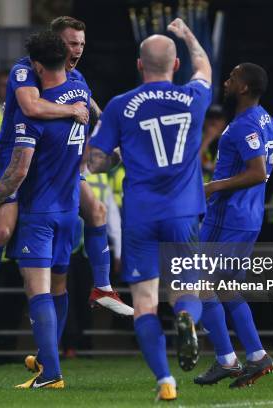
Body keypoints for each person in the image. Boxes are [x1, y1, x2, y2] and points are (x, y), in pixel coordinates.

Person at [0, 15, 133, 343]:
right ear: (55, 43)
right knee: (2, 229)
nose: (77, 50)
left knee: (96, 212)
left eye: (82, 44)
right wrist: (72, 111)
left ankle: (102, 287)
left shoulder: (76, 77)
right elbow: (31, 106)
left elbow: (93, 109)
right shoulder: (25, 70)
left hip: (54, 163)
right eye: (71, 43)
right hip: (17, 159)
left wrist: (111, 132)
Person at [88, 18, 213, 401]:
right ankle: (187, 318)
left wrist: (119, 156)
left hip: (140, 215)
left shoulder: (120, 106)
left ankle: (165, 381)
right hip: (184, 213)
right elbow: (205, 68)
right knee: (187, 290)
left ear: (139, 65)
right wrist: (188, 35)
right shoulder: (194, 97)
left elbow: (95, 161)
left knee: (143, 302)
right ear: (175, 66)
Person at [0, 30, 91, 389]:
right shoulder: (81, 98)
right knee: (59, 289)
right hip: (69, 211)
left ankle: (51, 374)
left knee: (38, 291)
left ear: (35, 66)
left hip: (40, 213)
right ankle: (49, 358)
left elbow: (19, 170)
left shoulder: (34, 115)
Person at [193, 63, 273, 388]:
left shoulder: (244, 125)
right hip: (249, 216)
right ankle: (256, 355)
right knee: (227, 288)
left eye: (232, 78)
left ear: (243, 88)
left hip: (228, 217)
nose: (226, 82)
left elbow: (258, 172)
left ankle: (227, 359)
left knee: (198, 281)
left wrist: (212, 187)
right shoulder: (266, 119)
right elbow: (264, 169)